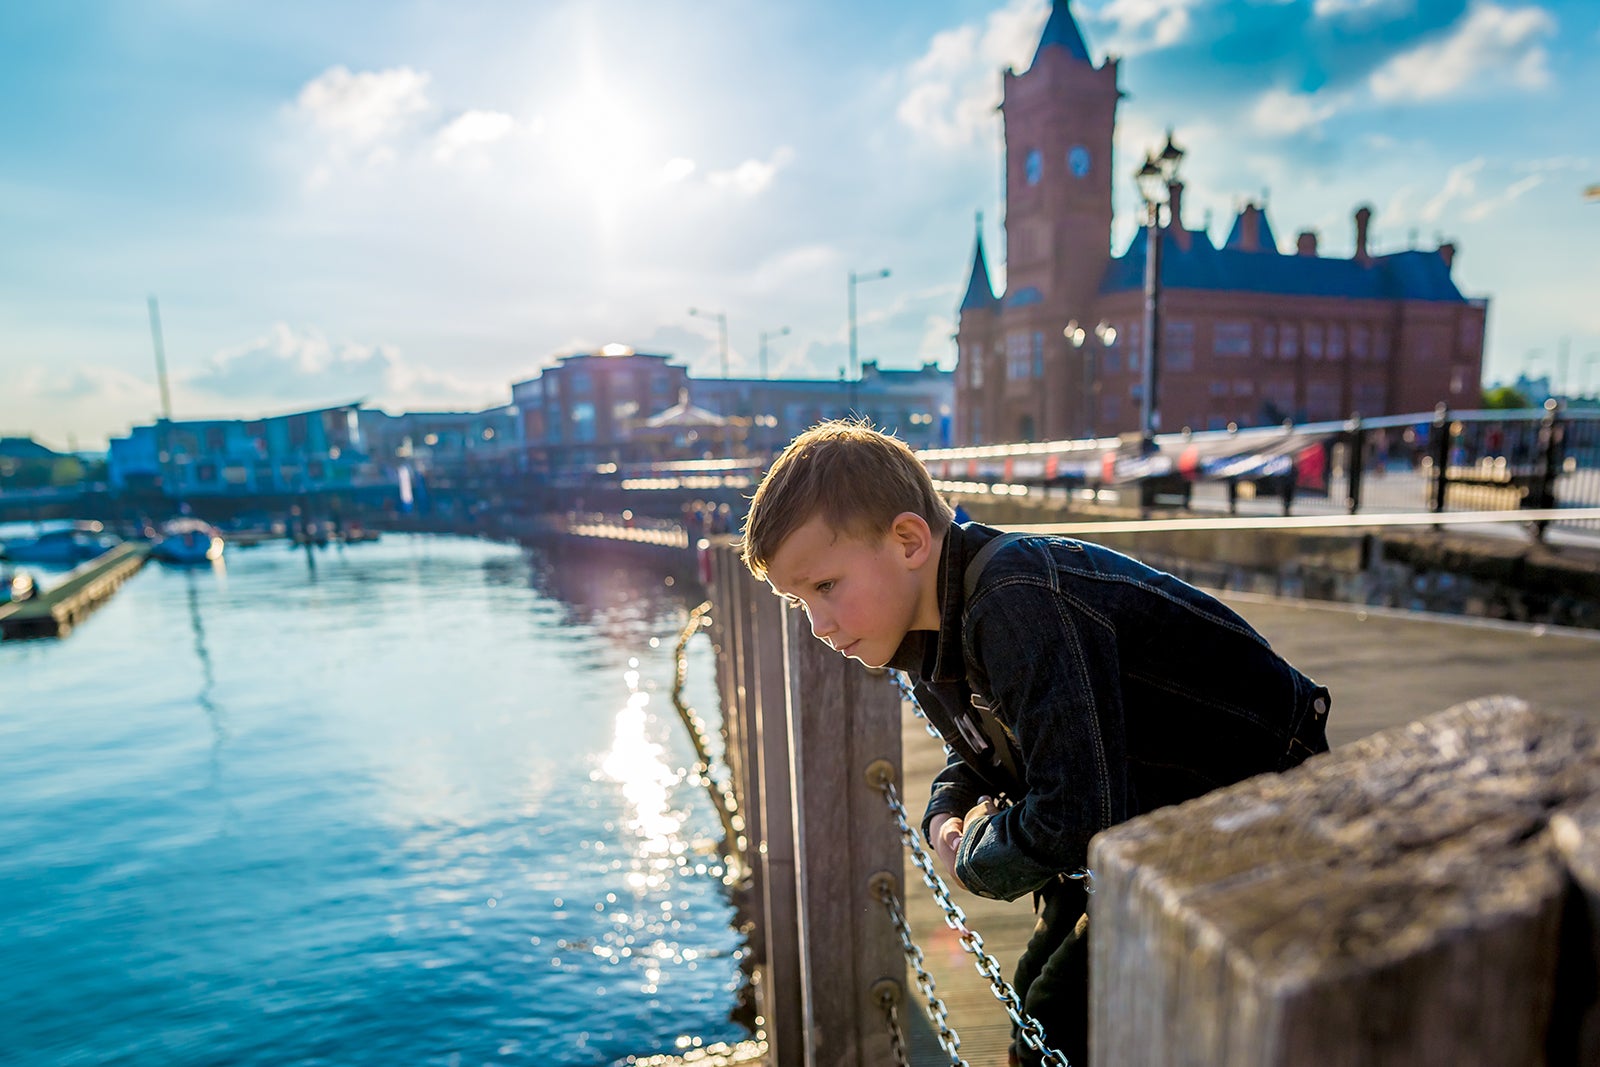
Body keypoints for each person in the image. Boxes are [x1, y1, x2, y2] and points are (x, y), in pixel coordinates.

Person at [738, 419, 1331, 1067]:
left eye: (824, 586)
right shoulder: (926, 633)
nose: (820, 626)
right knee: (1038, 982)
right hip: (1140, 804)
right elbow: (984, 747)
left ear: (908, 539)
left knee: (1053, 1010)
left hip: (1259, 804)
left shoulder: (1013, 599)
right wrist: (946, 804)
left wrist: (973, 858)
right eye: (799, 603)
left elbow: (1075, 811)